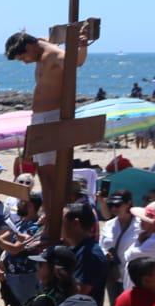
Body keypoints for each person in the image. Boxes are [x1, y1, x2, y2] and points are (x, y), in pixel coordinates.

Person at [6, 25, 92, 224]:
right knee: (43, 173)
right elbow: (47, 37)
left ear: (29, 47)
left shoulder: (53, 55)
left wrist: (83, 47)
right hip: (41, 118)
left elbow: (75, 62)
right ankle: (50, 216)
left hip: (51, 117)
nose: (25, 63)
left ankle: (54, 219)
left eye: (22, 58)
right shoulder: (42, 46)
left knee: (50, 174)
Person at [63, 203, 110, 306]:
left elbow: (78, 293)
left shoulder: (90, 255)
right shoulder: (76, 249)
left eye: (63, 222)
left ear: (76, 224)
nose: (60, 226)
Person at [98, 192, 140, 305]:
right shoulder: (109, 225)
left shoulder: (140, 225)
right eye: (111, 205)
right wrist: (104, 253)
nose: (114, 208)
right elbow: (101, 245)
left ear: (128, 204)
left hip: (132, 275)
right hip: (112, 273)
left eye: (117, 205)